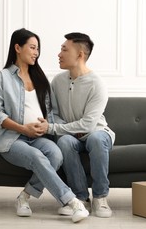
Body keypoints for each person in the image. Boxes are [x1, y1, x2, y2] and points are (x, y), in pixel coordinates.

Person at [0, 28, 89, 223]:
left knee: (56, 154)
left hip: (40, 137)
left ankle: (24, 197)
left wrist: (57, 127)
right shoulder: (2, 78)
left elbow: (50, 114)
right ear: (17, 47)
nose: (36, 53)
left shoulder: (40, 79)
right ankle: (72, 202)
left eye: (37, 49)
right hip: (12, 138)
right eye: (32, 47)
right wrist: (23, 129)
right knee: (36, 156)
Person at [40, 32, 115, 218]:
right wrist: (64, 129)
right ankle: (80, 198)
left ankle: (100, 197)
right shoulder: (57, 81)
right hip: (71, 136)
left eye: (64, 49)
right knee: (64, 142)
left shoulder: (97, 84)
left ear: (80, 54)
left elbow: (89, 124)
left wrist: (52, 128)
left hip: (97, 132)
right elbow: (54, 114)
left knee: (97, 139)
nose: (59, 54)